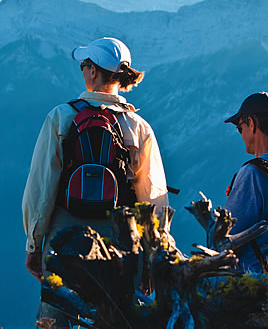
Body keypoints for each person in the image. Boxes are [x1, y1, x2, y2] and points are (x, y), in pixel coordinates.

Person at [22, 37, 169, 326]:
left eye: (84, 65)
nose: (83, 70)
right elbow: (153, 198)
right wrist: (153, 256)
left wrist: (34, 245)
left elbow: (40, 190)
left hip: (64, 236)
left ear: (93, 71)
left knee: (57, 315)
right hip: (120, 241)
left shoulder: (61, 117)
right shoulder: (138, 127)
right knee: (118, 317)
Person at [223, 92, 268, 272]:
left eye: (240, 128)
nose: (241, 134)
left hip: (258, 280)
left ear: (252, 124)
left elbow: (227, 237)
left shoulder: (252, 173)